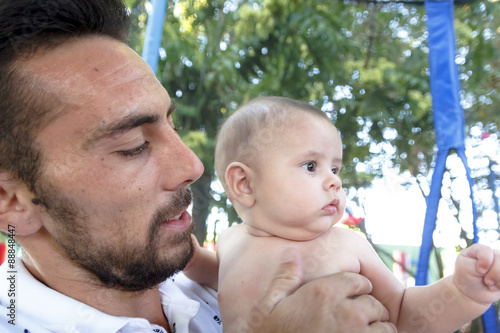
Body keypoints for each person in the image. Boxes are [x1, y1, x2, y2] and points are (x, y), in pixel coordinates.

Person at [0, 1, 397, 332]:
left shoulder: (222, 283)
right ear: (11, 200)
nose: (192, 165)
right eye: (134, 147)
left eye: (173, 126)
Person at [215, 96, 500, 333]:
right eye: (311, 166)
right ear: (244, 184)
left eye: (335, 169)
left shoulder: (347, 245)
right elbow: (210, 274)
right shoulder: (229, 242)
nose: (335, 181)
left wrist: (461, 292)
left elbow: (402, 311)